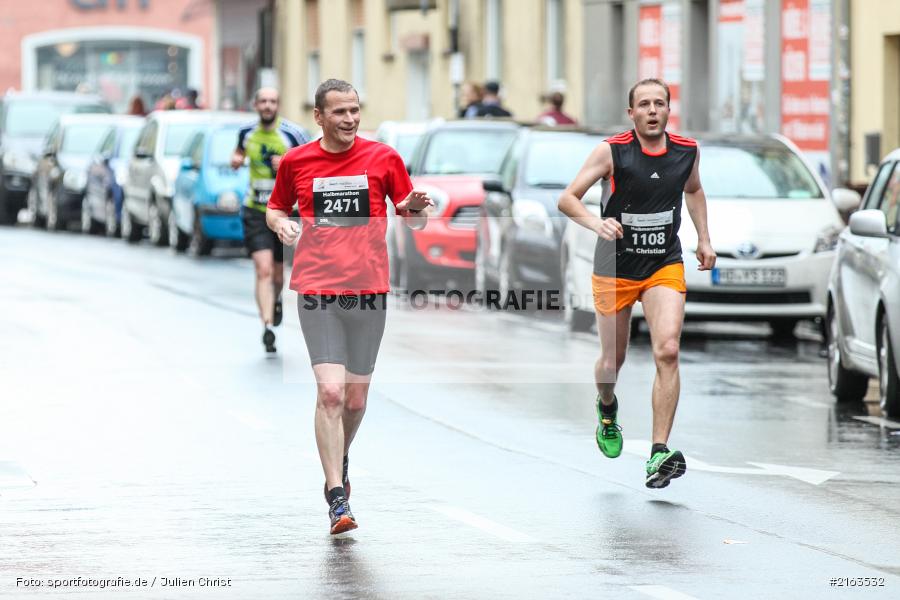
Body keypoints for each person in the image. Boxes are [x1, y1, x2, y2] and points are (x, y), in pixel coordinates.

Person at [265, 79, 432, 535]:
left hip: (368, 290)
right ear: (318, 117)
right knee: (332, 393)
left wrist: (417, 208)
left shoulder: (384, 158)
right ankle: (337, 496)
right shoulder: (297, 161)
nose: (350, 119)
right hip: (318, 289)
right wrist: (281, 225)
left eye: (355, 110)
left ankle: (338, 453)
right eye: (339, 112)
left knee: (356, 399)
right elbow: (275, 207)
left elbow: (413, 219)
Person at [557, 78, 716, 489]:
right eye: (643, 104)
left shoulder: (687, 152)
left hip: (663, 264)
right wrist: (597, 222)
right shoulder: (612, 152)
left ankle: (658, 451)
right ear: (631, 113)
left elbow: (694, 190)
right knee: (613, 361)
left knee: (668, 348)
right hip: (615, 266)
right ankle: (607, 409)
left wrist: (704, 238)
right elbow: (568, 198)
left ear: (667, 110)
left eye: (659, 103)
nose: (651, 110)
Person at [231, 87, 309, 353]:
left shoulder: (293, 133)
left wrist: (288, 162)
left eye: (272, 101)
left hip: (284, 212)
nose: (267, 106)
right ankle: (266, 326)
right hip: (255, 209)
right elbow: (239, 153)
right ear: (255, 104)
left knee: (278, 273)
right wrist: (236, 159)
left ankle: (275, 301)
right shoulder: (246, 132)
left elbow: (311, 165)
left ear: (278, 105)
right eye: (263, 101)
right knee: (262, 269)